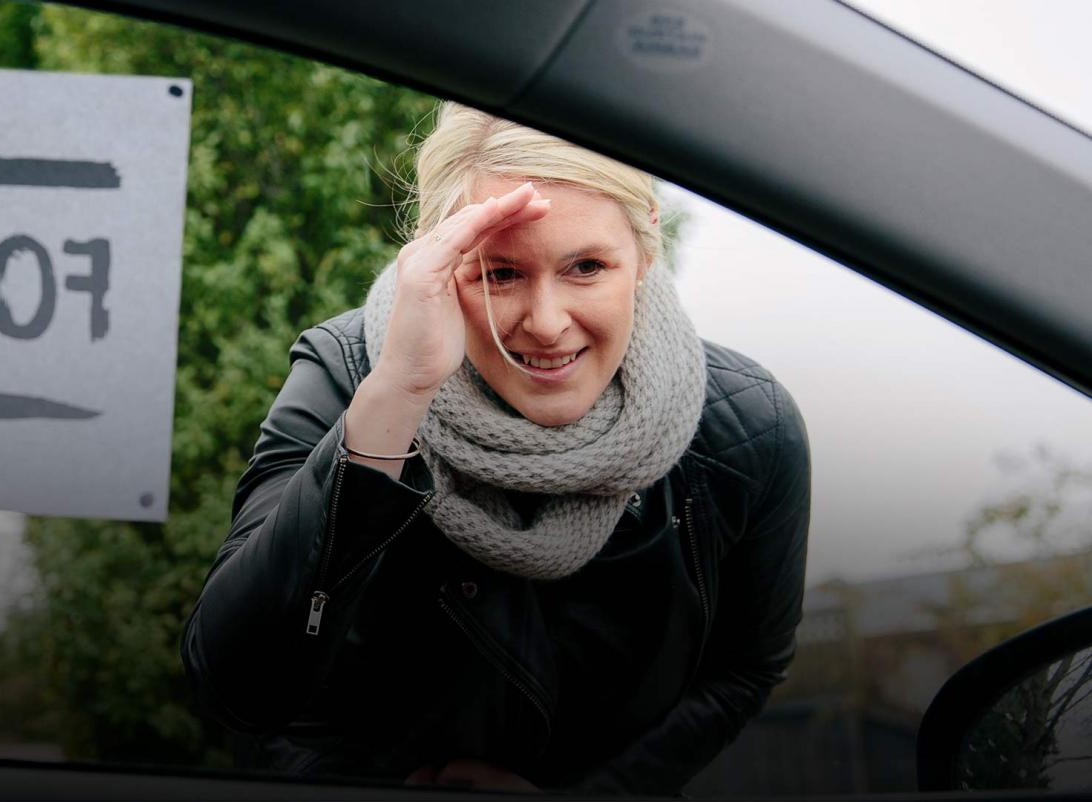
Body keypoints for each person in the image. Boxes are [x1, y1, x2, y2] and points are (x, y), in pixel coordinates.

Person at [179, 103, 811, 795]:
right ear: (437, 261)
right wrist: (398, 395)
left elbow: (742, 670)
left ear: (645, 250)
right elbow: (236, 687)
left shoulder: (748, 427)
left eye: (586, 266)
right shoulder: (350, 375)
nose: (544, 324)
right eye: (499, 275)